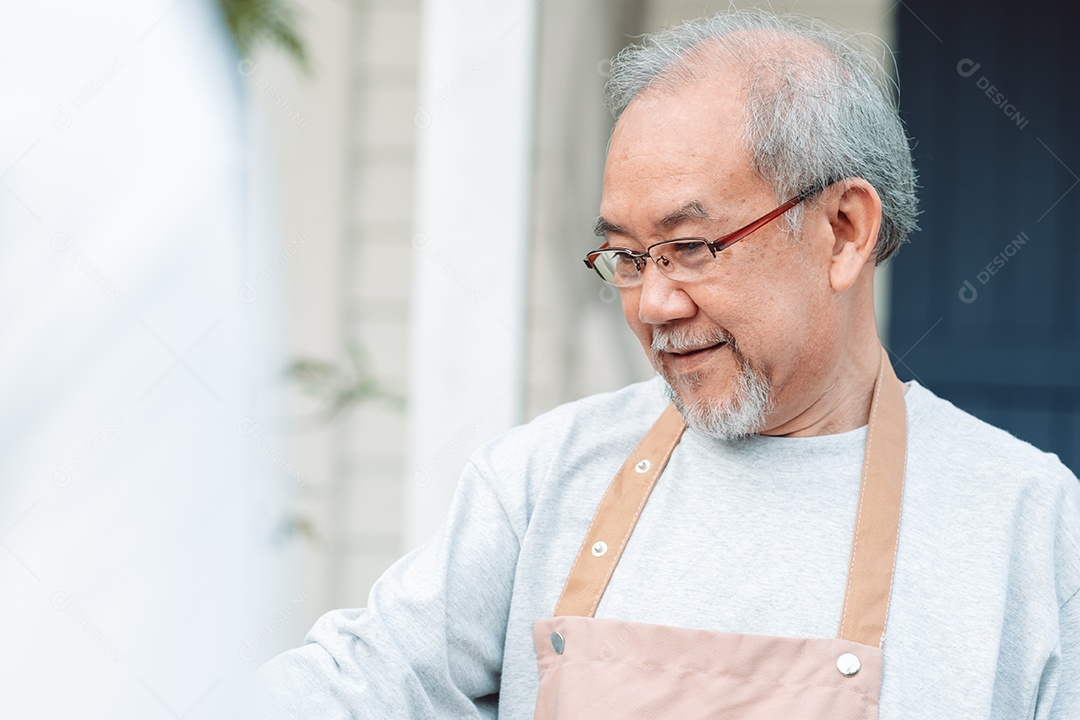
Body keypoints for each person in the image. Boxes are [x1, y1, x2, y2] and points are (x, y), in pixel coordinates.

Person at [256, 9, 1080, 719]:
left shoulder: (1030, 527)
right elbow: (350, 686)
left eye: (688, 248)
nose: (653, 304)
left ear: (843, 231)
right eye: (624, 256)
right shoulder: (543, 483)